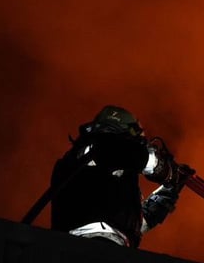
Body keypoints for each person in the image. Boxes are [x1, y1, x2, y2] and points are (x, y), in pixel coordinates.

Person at [47, 105, 186, 248]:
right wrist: (165, 169)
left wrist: (168, 192)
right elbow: (123, 152)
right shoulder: (90, 150)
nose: (139, 143)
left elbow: (135, 225)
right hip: (82, 246)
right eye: (135, 138)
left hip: (111, 250)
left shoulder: (111, 172)